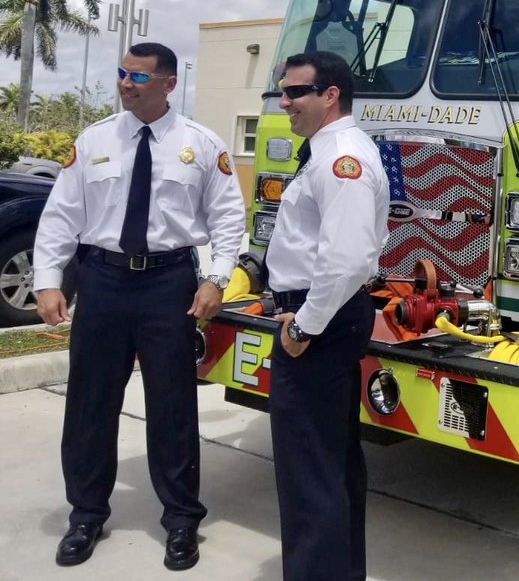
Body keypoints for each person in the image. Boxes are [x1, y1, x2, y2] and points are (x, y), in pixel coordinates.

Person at [33, 42, 245, 570]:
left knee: (172, 405)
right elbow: (61, 215)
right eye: (123, 73)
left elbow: (226, 218)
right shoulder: (95, 139)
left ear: (169, 83)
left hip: (168, 285)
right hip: (102, 281)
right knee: (90, 403)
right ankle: (85, 514)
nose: (126, 83)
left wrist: (218, 279)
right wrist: (47, 280)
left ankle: (180, 521)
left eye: (139, 76)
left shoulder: (201, 144)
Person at [266, 51, 388, 581]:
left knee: (309, 467)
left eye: (295, 92)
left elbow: (346, 259)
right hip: (324, 315)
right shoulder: (327, 152)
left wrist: (304, 326)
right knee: (329, 462)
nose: (285, 101)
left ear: (330, 93)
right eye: (283, 91)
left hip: (320, 321)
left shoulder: (342, 157)